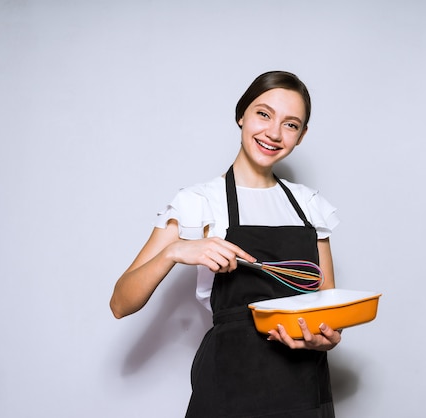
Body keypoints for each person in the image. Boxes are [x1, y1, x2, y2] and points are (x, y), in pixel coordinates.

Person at [110, 70, 342, 417]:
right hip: (229, 387)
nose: (274, 133)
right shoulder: (198, 202)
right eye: (263, 114)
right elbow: (120, 303)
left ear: (302, 135)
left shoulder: (310, 206)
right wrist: (175, 252)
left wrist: (327, 337)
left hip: (303, 387)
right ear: (241, 115)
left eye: (291, 124)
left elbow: (329, 310)